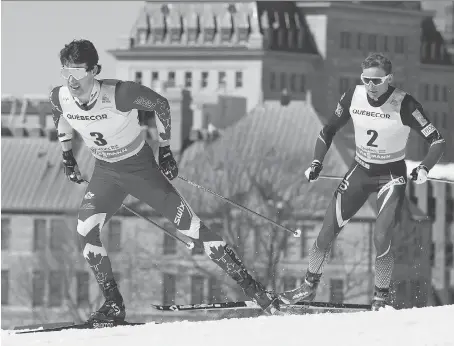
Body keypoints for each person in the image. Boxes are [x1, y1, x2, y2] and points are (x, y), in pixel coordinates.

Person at [49, 39, 280, 322]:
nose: (71, 80)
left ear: (94, 70)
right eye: (66, 72)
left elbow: (160, 104)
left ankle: (256, 291)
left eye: (78, 72)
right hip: (106, 173)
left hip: (140, 169)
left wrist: (166, 148)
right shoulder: (59, 96)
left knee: (193, 228)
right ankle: (113, 303)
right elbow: (61, 116)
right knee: (85, 231)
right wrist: (67, 156)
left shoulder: (120, 94)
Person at [279, 53, 446, 311]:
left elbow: (437, 140)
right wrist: (316, 162)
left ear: (389, 79)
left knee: (381, 236)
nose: (370, 86)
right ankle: (308, 285)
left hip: (391, 176)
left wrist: (424, 167)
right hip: (360, 171)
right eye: (366, 79)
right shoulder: (352, 96)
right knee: (325, 233)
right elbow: (327, 131)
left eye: (377, 81)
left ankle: (380, 297)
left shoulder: (405, 104)